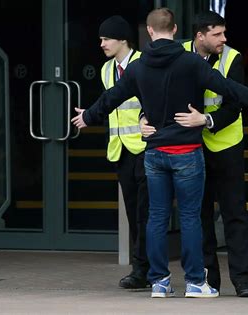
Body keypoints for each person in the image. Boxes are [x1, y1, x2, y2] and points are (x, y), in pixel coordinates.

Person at [71, 7, 248, 298]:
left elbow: (111, 97)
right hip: (187, 152)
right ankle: (194, 282)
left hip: (154, 154)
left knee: (156, 218)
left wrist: (88, 116)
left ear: (150, 32)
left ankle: (159, 283)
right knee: (190, 218)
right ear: (175, 31)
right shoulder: (191, 63)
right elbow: (230, 88)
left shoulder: (138, 67)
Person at [179, 11, 248, 298]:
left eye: (224, 33)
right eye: (217, 34)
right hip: (191, 147)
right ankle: (208, 280)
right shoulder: (179, 54)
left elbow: (234, 103)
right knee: (199, 216)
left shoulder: (232, 58)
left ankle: (242, 281)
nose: (224, 39)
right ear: (200, 36)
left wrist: (207, 121)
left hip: (226, 144)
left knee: (234, 213)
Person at [97, 15, 150, 289]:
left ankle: (144, 270)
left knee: (145, 213)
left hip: (145, 148)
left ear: (122, 39)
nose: (102, 44)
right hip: (121, 150)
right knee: (134, 213)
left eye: (106, 38)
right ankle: (142, 269)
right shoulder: (107, 69)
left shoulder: (144, 63)